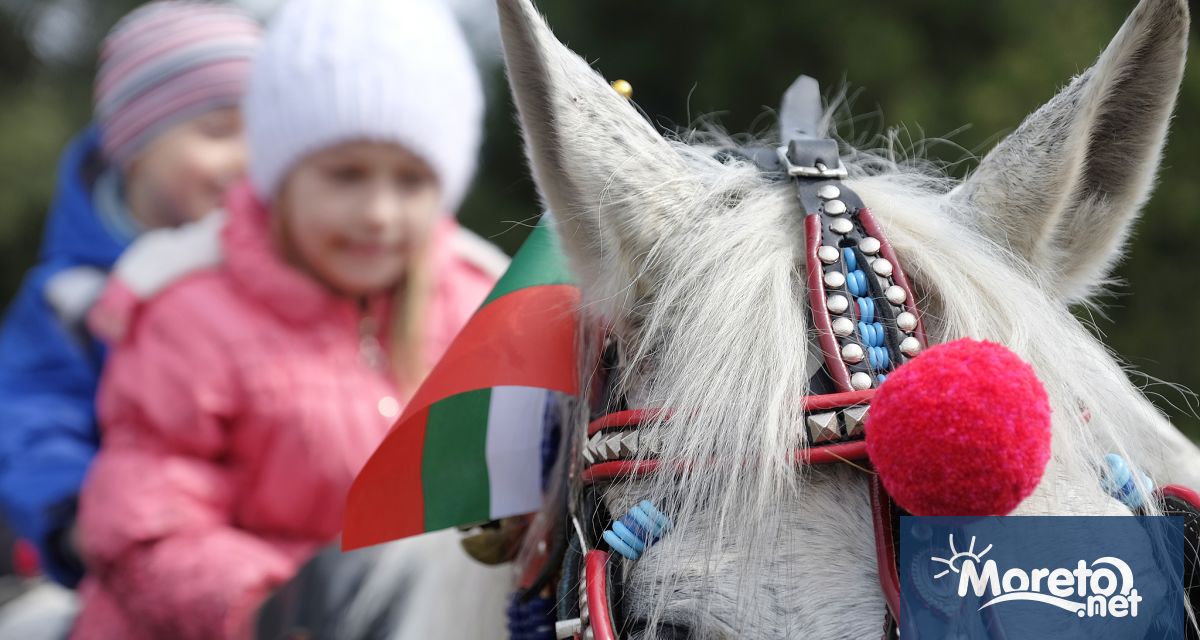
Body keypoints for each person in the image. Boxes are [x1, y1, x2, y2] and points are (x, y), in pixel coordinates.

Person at [71, 0, 509, 637]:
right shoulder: (189, 312)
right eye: (346, 175)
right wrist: (279, 605)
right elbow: (144, 530)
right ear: (280, 174)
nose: (379, 213)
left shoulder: (482, 305)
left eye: (411, 181)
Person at [0, 1, 261, 589]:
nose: (247, 159)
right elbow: (32, 417)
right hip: (132, 560)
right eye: (219, 130)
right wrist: (72, 514)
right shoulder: (73, 297)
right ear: (134, 147)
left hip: (273, 553)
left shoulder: (280, 275)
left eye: (265, 133)